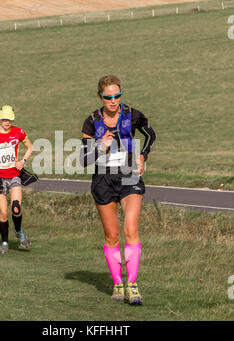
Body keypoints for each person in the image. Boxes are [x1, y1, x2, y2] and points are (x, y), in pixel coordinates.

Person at [80, 75, 156, 305]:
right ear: (100, 97)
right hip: (103, 180)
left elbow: (151, 135)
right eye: (108, 97)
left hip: (129, 175)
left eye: (117, 95)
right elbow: (84, 160)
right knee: (112, 235)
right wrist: (99, 145)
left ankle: (132, 286)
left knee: (131, 227)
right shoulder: (91, 122)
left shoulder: (132, 115)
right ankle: (118, 284)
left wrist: (142, 154)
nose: (113, 101)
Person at [0, 105, 33, 254]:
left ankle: (18, 231)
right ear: (0, 118)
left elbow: (30, 147)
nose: (7, 122)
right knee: (3, 212)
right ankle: (4, 242)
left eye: (9, 120)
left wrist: (23, 161)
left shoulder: (18, 132)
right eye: (4, 119)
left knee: (16, 207)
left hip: (14, 175)